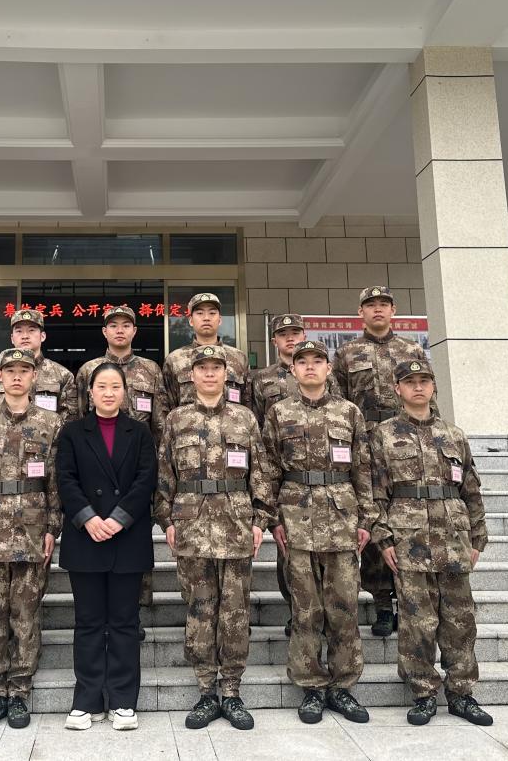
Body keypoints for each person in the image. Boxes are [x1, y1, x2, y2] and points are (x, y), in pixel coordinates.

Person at [154, 345, 273, 732]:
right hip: (191, 525)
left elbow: (260, 473)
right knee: (200, 610)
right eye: (202, 368)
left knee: (235, 612)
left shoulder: (244, 418)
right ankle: (206, 690)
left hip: (236, 525)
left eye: (215, 368)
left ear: (226, 374)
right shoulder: (176, 419)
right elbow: (164, 475)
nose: (209, 374)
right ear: (192, 375)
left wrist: (260, 519)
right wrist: (166, 520)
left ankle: (232, 690)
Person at [369, 359, 493, 728]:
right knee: (416, 623)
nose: (418, 387)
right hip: (410, 541)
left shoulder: (453, 435)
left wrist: (478, 538)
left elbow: (471, 490)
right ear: (398, 389)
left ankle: (461, 693)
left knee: (460, 621)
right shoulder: (384, 435)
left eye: (424, 380)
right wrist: (383, 539)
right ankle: (423, 692)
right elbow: (376, 493)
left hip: (453, 541)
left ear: (433, 386)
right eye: (410, 382)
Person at [261, 340, 372, 725]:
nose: (310, 367)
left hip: (341, 520)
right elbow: (268, 471)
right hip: (296, 519)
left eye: (317, 361)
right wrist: (273, 519)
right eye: (302, 361)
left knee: (344, 608)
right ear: (292, 370)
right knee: (305, 609)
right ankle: (311, 686)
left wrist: (366, 520)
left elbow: (363, 470)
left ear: (328, 368)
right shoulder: (279, 413)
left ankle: (342, 686)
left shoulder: (349, 412)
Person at [56, 361, 158, 732]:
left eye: (116, 386)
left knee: (124, 623)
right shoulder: (72, 432)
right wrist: (88, 518)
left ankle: (122, 701)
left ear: (125, 392)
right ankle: (86, 700)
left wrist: (118, 518)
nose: (109, 392)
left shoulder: (140, 432)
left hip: (127, 537)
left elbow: (146, 479)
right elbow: (65, 479)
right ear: (90, 392)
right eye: (102, 386)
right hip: (86, 537)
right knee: (88, 622)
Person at [0, 348, 63, 730]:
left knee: (26, 613)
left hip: (32, 529)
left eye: (25, 370)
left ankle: (20, 689)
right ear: (0, 377)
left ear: (34, 376)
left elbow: (55, 484)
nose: (18, 377)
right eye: (11, 371)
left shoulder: (51, 423)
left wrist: (53, 528)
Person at [332, 286, 429, 638]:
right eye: (371, 305)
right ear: (360, 312)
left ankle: (409, 599)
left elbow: (426, 398)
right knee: (374, 519)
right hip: (367, 445)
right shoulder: (347, 353)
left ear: (393, 310)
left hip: (405, 444)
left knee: (406, 519)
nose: (378, 310)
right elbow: (339, 402)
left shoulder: (411, 350)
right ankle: (383, 603)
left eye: (384, 304)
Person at [73, 304, 168, 637]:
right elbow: (79, 419)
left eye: (126, 325)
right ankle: (103, 618)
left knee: (133, 545)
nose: (119, 330)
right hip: (98, 469)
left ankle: (132, 615)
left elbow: (160, 422)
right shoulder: (88, 370)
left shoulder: (151, 370)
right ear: (104, 331)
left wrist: (155, 470)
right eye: (113, 325)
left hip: (137, 469)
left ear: (134, 331)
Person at [245, 313, 340, 635]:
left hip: (327, 479)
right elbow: (256, 424)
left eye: (295, 332)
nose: (290, 338)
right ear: (274, 340)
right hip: (286, 476)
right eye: (283, 333)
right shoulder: (261, 378)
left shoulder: (326, 376)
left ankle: (328, 616)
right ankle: (295, 611)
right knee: (289, 557)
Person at [0, 308, 78, 420]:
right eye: (19, 331)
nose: (25, 336)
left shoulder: (62, 375)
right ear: (12, 338)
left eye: (31, 330)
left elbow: (69, 421)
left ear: (43, 336)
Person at [162, 292, 250, 408]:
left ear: (220, 320)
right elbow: (167, 406)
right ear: (191, 320)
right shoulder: (174, 359)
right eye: (200, 313)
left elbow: (248, 404)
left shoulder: (239, 358)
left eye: (212, 313)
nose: (206, 318)